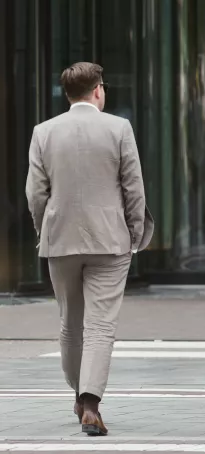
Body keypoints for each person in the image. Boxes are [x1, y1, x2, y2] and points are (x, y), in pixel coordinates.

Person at [25, 62, 153, 436]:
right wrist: (134, 233)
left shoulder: (43, 132)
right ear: (98, 90)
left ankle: (79, 395)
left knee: (70, 324)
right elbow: (134, 186)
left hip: (60, 238)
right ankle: (91, 402)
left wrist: (43, 228)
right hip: (110, 240)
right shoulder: (118, 128)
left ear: (68, 94)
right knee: (100, 325)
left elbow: (36, 193)